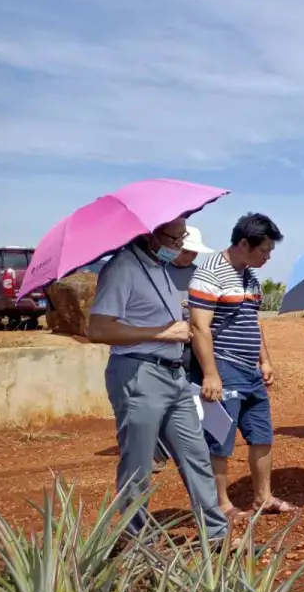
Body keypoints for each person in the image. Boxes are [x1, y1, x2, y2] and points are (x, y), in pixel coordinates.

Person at [88, 217, 228, 540]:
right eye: (175, 238)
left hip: (173, 374)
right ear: (151, 234)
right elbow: (97, 328)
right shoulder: (122, 268)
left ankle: (217, 535)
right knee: (139, 465)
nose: (179, 246)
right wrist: (161, 333)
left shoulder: (159, 268)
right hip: (139, 373)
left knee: (196, 454)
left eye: (182, 238)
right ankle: (135, 542)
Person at [189, 212, 291, 519]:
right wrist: (210, 373)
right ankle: (222, 504)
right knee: (219, 437)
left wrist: (265, 359)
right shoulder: (211, 273)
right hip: (223, 366)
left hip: (250, 370)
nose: (268, 257)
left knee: (262, 435)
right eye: (264, 251)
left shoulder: (250, 276)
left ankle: (263, 497)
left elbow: (252, 321)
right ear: (244, 243)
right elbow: (198, 327)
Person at [153, 225, 214, 473]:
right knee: (163, 396)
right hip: (166, 343)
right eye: (188, 251)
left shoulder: (201, 276)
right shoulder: (158, 273)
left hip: (194, 346)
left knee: (195, 394)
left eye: (195, 253)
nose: (192, 256)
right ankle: (157, 449)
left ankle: (191, 444)